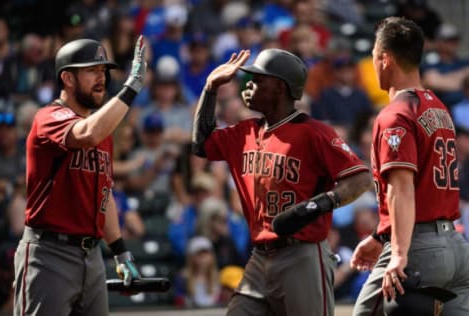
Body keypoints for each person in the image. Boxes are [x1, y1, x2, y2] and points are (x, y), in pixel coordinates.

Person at [192, 48, 372, 315]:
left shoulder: (314, 132)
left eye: (257, 80)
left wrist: (317, 205)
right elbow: (201, 144)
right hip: (260, 256)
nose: (248, 84)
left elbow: (360, 178)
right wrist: (210, 89)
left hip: (302, 255)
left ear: (279, 87)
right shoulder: (245, 132)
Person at [13, 35, 147, 315]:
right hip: (49, 252)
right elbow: (87, 134)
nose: (101, 78)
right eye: (91, 71)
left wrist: (121, 252)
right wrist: (131, 86)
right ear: (68, 79)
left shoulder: (102, 128)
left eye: (103, 71)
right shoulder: (48, 117)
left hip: (92, 254)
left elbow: (104, 195)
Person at [350, 17, 469, 315]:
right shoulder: (440, 108)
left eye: (375, 57)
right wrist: (380, 237)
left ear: (385, 59)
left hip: (419, 247)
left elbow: (401, 189)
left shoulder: (396, 114)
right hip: (456, 245)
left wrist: (399, 254)